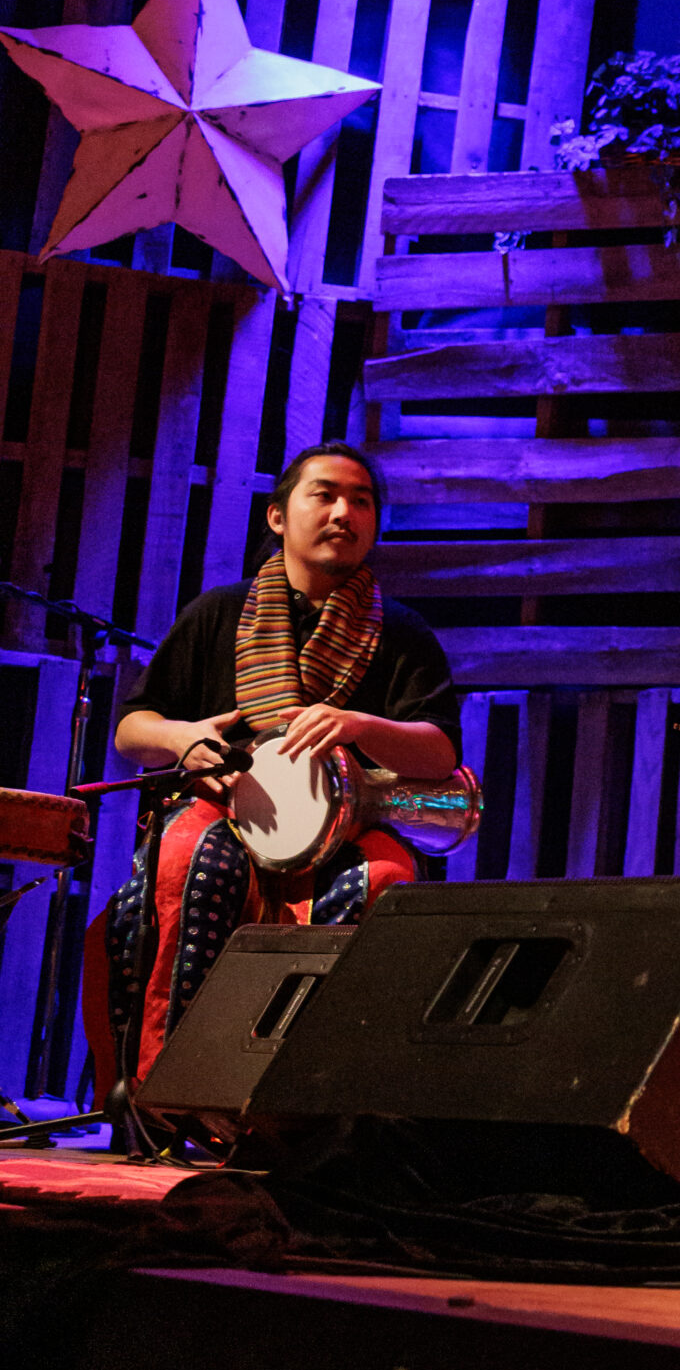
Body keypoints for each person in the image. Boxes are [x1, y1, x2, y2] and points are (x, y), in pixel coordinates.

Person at [100, 444, 460, 1083]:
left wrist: (360, 726)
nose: (344, 512)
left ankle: (319, 1099)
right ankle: (169, 1088)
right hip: (226, 810)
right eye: (324, 495)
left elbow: (440, 752)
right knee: (187, 863)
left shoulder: (402, 632)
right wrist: (182, 738)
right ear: (277, 516)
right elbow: (133, 727)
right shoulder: (221, 611)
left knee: (379, 883)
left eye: (362, 501)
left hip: (351, 823)